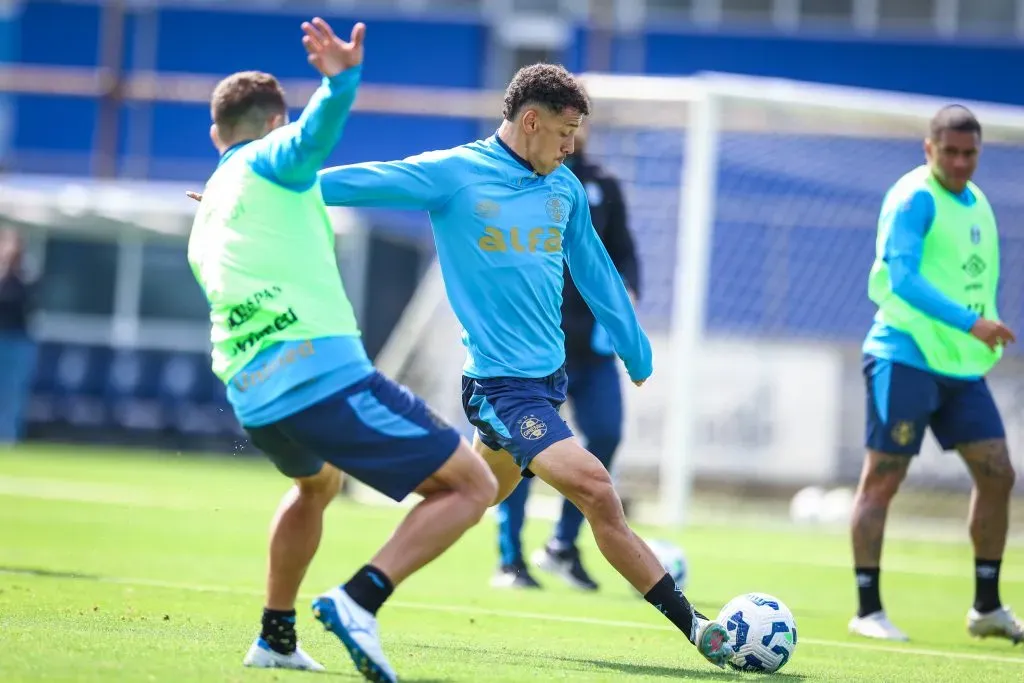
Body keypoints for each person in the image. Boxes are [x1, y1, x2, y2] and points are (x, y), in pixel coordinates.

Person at [314, 63, 732, 669]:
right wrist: (253, 192)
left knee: (470, 495)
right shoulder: (455, 174)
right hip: (501, 388)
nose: (572, 146)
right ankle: (700, 631)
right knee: (596, 490)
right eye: (565, 133)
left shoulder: (562, 189)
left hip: (548, 385)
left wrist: (633, 347)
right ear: (530, 121)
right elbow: (358, 181)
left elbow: (595, 269)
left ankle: (360, 566)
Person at [186, 19, 497, 683]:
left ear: (216, 134)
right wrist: (341, 81)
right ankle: (360, 599)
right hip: (316, 373)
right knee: (474, 485)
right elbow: (311, 141)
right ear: (275, 122)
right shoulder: (270, 159)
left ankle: (275, 634)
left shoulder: (216, 197)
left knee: (317, 483)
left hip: (251, 393)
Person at [850, 104, 1021, 644]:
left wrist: (976, 337)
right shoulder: (914, 198)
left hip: (959, 365)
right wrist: (975, 324)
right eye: (949, 151)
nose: (960, 162)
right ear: (929, 149)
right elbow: (902, 279)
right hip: (904, 353)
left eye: (970, 153)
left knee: (998, 473)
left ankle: (986, 606)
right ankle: (868, 608)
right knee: (884, 478)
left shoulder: (978, 203)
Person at [491, 114, 640, 592]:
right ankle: (511, 560)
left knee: (607, 435)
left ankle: (563, 544)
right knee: (524, 454)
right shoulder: (520, 183)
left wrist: (629, 297)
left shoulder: (602, 186)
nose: (573, 133)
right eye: (564, 123)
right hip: (536, 352)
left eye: (579, 123)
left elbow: (624, 254)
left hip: (591, 351)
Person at [0, 228, 37, 445]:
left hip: (17, 340)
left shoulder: (27, 274)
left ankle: (8, 436)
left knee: (13, 391)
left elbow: (24, 301)